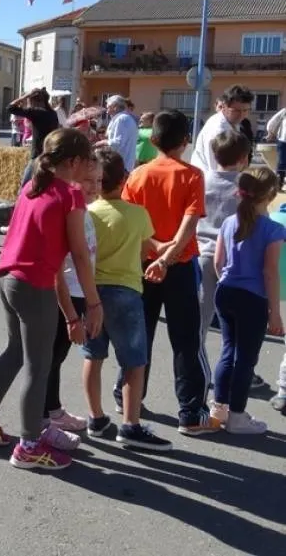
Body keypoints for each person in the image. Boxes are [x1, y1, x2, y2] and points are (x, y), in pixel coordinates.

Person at [0, 129, 102, 471]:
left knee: (15, 351)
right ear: (73, 162)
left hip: (8, 278)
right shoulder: (70, 195)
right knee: (38, 366)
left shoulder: (32, 186)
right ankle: (28, 445)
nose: (90, 168)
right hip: (34, 286)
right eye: (87, 161)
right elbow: (80, 256)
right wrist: (94, 304)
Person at [119, 109, 220, 436]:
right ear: (185, 140)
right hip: (179, 265)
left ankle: (127, 397)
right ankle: (190, 413)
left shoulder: (137, 175)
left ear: (155, 139)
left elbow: (130, 223)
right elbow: (190, 226)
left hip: (142, 262)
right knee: (186, 340)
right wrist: (169, 254)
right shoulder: (192, 175)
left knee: (140, 335)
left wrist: (155, 250)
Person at [82, 149, 173, 451]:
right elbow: (149, 247)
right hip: (126, 291)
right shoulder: (137, 214)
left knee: (93, 357)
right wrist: (168, 248)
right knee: (134, 362)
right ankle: (130, 425)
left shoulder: (88, 213)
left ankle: (95, 417)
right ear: (124, 179)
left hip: (92, 292)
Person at [211, 167, 286, 434]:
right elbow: (270, 272)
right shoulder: (273, 230)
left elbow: (219, 261)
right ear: (270, 195)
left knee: (228, 351)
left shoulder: (229, 222)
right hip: (252, 298)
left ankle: (219, 408)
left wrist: (227, 280)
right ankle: (237, 416)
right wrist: (274, 312)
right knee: (245, 358)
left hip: (226, 291)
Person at [42, 155, 99, 449]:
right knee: (50, 357)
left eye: (99, 181)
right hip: (65, 293)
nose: (94, 186)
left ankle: (52, 410)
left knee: (57, 356)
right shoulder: (71, 210)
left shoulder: (85, 211)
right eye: (89, 180)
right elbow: (67, 262)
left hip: (75, 292)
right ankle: (44, 420)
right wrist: (82, 311)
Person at [196, 131, 251, 374]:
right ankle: (232, 373)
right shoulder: (246, 187)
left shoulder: (201, 180)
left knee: (200, 323)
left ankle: (197, 370)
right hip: (235, 260)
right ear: (243, 158)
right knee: (236, 326)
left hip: (201, 253)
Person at [191, 84, 253, 172]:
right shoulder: (218, 130)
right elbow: (214, 168)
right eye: (236, 111)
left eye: (246, 110)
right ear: (224, 107)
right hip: (208, 179)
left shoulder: (232, 122)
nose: (242, 115)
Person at [6, 88, 60, 186]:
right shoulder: (52, 113)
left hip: (37, 155)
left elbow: (10, 107)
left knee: (25, 184)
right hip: (50, 154)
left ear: (34, 100)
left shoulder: (36, 112)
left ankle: (21, 201)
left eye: (29, 101)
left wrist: (26, 95)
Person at [95, 95, 138, 172]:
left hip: (122, 166)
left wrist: (103, 142)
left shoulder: (121, 119)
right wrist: (106, 139)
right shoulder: (121, 118)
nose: (107, 111)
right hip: (121, 165)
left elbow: (118, 143)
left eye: (108, 107)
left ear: (115, 107)